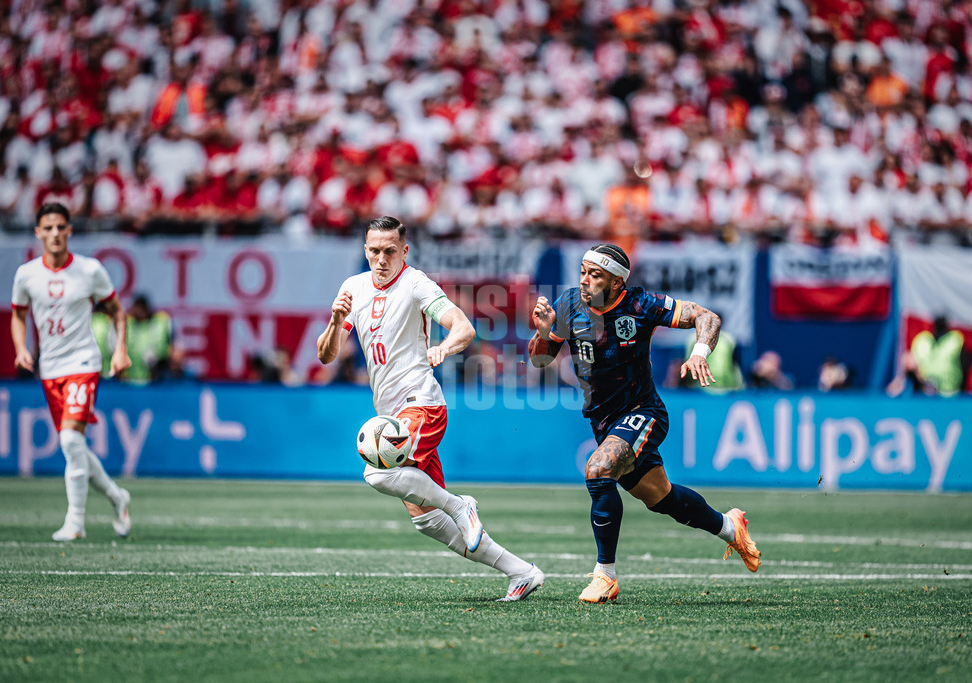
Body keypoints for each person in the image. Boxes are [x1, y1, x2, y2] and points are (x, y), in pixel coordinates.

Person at [317, 216, 544, 602]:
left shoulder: (416, 283)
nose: (382, 259)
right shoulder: (352, 288)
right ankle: (522, 572)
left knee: (376, 474)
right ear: (365, 250)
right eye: (374, 250)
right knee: (426, 520)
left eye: (391, 251)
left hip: (421, 404)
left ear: (404, 251)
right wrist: (337, 318)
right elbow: (326, 355)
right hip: (390, 412)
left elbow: (464, 327)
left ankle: (461, 505)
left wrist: (445, 346)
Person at [529, 244, 760, 603]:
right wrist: (544, 334)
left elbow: (708, 318)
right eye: (583, 271)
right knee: (661, 498)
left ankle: (605, 575)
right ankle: (731, 527)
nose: (586, 281)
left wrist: (699, 353)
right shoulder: (568, 304)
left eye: (596, 275)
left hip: (643, 411)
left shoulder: (640, 304)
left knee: (598, 467)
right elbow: (541, 360)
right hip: (603, 421)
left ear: (618, 282)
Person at [10, 202, 133, 541]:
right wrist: (21, 348)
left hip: (83, 363)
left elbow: (117, 312)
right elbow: (18, 315)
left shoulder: (90, 271)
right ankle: (116, 496)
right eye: (47, 228)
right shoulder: (26, 275)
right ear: (38, 233)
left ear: (69, 231)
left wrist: (120, 350)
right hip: (49, 369)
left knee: (68, 439)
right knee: (74, 445)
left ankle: (75, 522)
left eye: (60, 227)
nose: (54, 234)